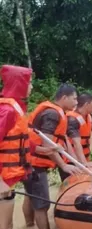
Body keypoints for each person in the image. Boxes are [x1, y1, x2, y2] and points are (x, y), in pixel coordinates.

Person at [0, 65, 58, 229]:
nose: (31, 87)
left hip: (7, 179)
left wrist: (44, 150)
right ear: (19, 84)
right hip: (1, 180)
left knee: (8, 224)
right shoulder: (7, 111)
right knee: (4, 225)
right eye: (29, 82)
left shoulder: (14, 109)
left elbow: (21, 141)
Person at [24, 84, 81, 229]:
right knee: (42, 205)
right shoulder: (52, 114)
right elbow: (48, 144)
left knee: (32, 196)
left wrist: (79, 162)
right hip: (34, 162)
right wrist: (63, 165)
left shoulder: (57, 112)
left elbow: (62, 140)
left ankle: (29, 225)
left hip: (31, 160)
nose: (76, 103)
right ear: (64, 98)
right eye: (74, 99)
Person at [65, 93, 92, 178]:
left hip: (85, 157)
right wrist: (83, 163)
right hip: (71, 160)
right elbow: (76, 143)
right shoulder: (72, 119)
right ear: (87, 105)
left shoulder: (90, 117)